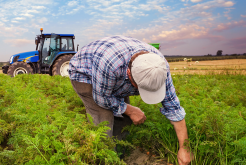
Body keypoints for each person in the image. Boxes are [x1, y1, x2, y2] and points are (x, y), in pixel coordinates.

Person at [68, 36, 192, 164]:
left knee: (124, 119)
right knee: (103, 121)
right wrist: (130, 110)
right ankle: (104, 158)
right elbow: (102, 98)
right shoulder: (110, 65)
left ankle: (121, 155)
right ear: (129, 73)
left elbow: (174, 108)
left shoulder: (159, 67)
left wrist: (184, 148)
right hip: (85, 74)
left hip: (114, 75)